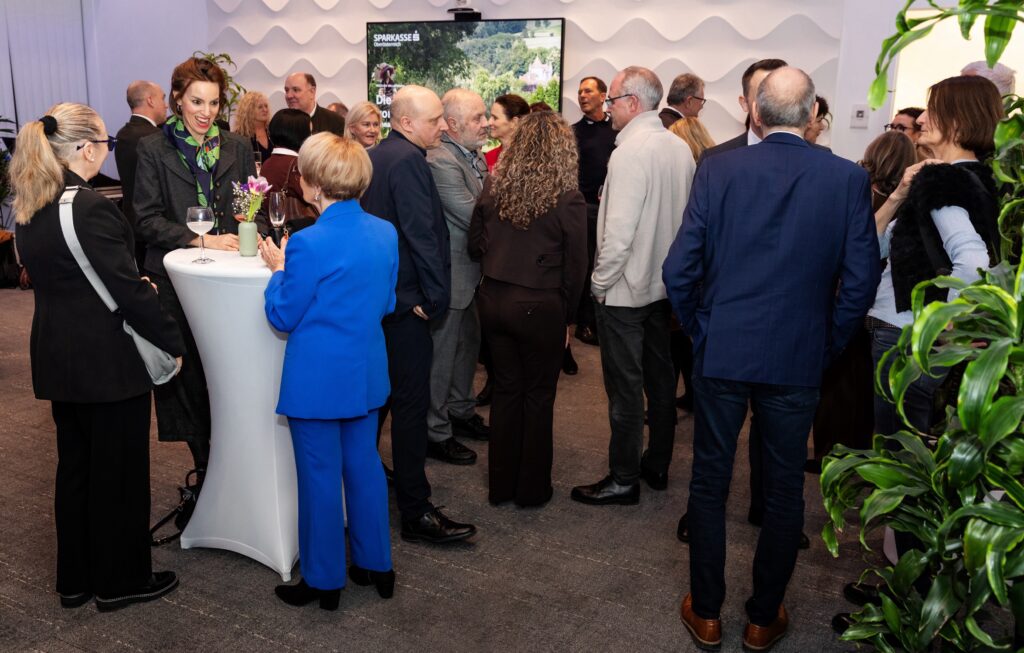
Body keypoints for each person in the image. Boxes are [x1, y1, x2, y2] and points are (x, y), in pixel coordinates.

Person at [664, 67, 880, 652]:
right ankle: (762, 620)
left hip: (723, 350)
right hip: (797, 355)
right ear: (812, 116)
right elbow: (861, 281)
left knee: (710, 481)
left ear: (755, 113)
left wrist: (703, 330)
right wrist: (827, 342)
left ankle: (707, 613)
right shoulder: (846, 179)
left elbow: (679, 269)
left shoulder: (719, 169)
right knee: (785, 491)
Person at [834, 74, 1003, 637]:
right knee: (915, 466)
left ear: (956, 120)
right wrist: (902, 195)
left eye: (932, 110)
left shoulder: (945, 181)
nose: (922, 119)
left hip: (907, 341)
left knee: (902, 470)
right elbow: (875, 242)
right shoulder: (969, 178)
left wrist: (941, 329)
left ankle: (906, 602)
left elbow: (973, 263)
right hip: (913, 339)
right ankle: (912, 588)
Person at [11, 102, 186, 611]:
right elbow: (128, 292)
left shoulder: (32, 204)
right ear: (86, 149)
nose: (107, 152)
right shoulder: (89, 207)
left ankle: (76, 578)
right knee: (119, 475)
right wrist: (173, 341)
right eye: (106, 144)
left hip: (58, 356)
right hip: (108, 360)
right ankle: (120, 580)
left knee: (77, 471)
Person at [674, 58, 816, 548]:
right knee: (712, 463)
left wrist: (824, 340)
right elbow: (691, 258)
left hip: (787, 345)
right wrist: (700, 326)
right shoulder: (716, 161)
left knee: (778, 464)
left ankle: (766, 514)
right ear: (748, 104)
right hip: (726, 337)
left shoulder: (829, 170)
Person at [259, 133, 397, 610]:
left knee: (319, 477)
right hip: (366, 372)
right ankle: (376, 565)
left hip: (317, 379)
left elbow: (282, 315)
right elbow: (387, 303)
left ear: (314, 184)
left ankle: (324, 581)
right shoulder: (385, 232)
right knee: (364, 467)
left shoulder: (307, 242)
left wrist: (277, 272)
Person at [570, 66, 694, 506]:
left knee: (624, 390)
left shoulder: (628, 154)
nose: (608, 109)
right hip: (663, 288)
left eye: (612, 101)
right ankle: (657, 463)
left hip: (623, 291)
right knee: (660, 382)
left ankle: (624, 478)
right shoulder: (679, 149)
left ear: (633, 103)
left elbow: (617, 236)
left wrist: (598, 285)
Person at [360, 85, 476, 544]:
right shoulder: (409, 160)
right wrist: (436, 295)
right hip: (408, 302)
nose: (443, 126)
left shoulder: (377, 156)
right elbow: (422, 233)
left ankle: (365, 486)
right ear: (406, 123)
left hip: (383, 300)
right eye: (434, 120)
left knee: (380, 403)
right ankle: (416, 511)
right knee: (409, 408)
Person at [134, 56, 259, 483]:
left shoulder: (237, 147)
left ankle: (232, 463)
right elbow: (145, 219)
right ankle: (204, 468)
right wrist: (201, 239)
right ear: (177, 99)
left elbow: (250, 208)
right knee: (188, 379)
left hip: (230, 280)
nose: (206, 112)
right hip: (177, 281)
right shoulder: (154, 148)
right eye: (196, 102)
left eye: (214, 103)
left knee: (227, 372)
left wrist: (253, 233)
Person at [469, 111, 587, 507]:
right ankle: (532, 490)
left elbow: (474, 242)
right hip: (540, 305)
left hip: (493, 300)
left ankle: (501, 487)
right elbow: (576, 266)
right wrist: (569, 318)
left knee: (506, 391)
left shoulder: (494, 185)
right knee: (537, 396)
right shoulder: (568, 197)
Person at [811, 131, 916, 469]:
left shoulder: (856, 189)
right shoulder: (907, 200)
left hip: (844, 295)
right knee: (864, 388)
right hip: (876, 299)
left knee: (836, 384)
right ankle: (856, 454)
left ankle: (829, 453)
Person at [424, 89, 491, 467]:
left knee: (467, 349)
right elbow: (474, 216)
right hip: (451, 275)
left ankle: (461, 411)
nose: (486, 124)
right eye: (477, 118)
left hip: (473, 272)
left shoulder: (472, 154)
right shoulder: (441, 161)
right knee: (442, 356)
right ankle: (435, 431)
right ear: (451, 124)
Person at [571, 76, 616, 349]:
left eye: (588, 91)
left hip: (615, 208)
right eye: (579, 92)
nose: (582, 95)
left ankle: (606, 320)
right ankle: (585, 322)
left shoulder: (617, 129)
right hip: (586, 209)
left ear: (603, 95)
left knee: (609, 262)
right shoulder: (573, 132)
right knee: (587, 265)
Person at [114, 80, 167, 268]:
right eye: (163, 99)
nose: (166, 105)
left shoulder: (123, 134)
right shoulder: (155, 138)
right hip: (154, 227)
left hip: (130, 223)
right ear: (151, 100)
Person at [261, 108, 318, 231]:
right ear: (299, 134)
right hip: (299, 232)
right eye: (310, 132)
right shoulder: (296, 166)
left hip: (275, 231)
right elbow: (317, 198)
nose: (312, 137)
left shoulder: (267, 163)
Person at [284, 72, 346, 136]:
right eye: (287, 90)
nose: (289, 96)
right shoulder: (282, 123)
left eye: (296, 90)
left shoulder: (336, 122)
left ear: (312, 92)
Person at [484, 93, 530, 172]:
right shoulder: (489, 157)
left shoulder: (532, 158)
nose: (489, 122)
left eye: (495, 118)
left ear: (514, 122)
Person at [233, 91, 273, 163]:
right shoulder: (240, 136)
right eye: (260, 107)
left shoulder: (273, 130)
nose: (265, 110)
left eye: (266, 106)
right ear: (249, 111)